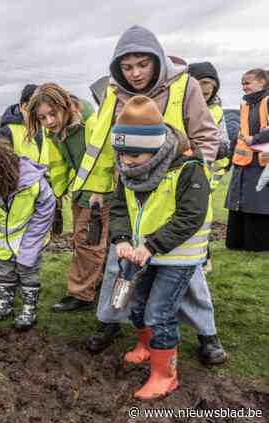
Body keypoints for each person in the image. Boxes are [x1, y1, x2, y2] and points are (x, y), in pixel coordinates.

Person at [84, 26, 226, 365]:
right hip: (132, 191)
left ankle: (208, 334)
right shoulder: (112, 92)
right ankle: (111, 321)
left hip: (175, 188)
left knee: (183, 268)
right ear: (118, 68)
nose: (135, 73)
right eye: (127, 66)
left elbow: (206, 136)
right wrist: (100, 189)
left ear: (157, 61)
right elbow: (106, 142)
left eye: (142, 64)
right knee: (121, 263)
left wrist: (197, 175)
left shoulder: (185, 86)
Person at [109, 95, 211, 400]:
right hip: (143, 255)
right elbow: (118, 208)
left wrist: (153, 245)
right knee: (137, 306)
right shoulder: (128, 169)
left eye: (134, 156)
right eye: (122, 153)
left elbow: (191, 216)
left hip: (178, 257)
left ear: (155, 149)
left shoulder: (189, 169)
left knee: (159, 311)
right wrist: (121, 239)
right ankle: (146, 346)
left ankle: (165, 375)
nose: (126, 161)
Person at [24, 83, 108, 313]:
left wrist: (99, 192)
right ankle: (98, 282)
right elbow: (59, 162)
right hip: (82, 190)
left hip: (101, 191)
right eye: (42, 118)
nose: (49, 121)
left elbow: (104, 158)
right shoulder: (54, 130)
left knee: (87, 241)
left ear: (66, 105)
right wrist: (59, 193)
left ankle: (82, 294)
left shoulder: (90, 121)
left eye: (53, 114)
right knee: (93, 240)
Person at [0, 140, 55, 330]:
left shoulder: (32, 183)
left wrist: (29, 248)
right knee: (4, 272)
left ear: (4, 167)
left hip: (30, 237)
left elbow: (45, 213)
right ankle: (4, 305)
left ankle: (29, 309)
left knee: (29, 273)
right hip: (2, 243)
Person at [188, 61, 229, 273]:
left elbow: (224, 144)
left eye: (211, 85)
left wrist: (213, 147)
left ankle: (203, 259)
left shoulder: (217, 111)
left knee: (200, 216)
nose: (206, 89)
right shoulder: (182, 106)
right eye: (202, 82)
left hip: (207, 171)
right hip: (184, 168)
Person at [225, 69, 269, 251]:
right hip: (243, 163)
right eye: (242, 83)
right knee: (238, 204)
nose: (244, 87)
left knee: (259, 205)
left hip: (262, 163)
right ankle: (237, 242)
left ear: (263, 82)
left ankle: (258, 245)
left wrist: (254, 140)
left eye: (248, 83)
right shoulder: (246, 104)